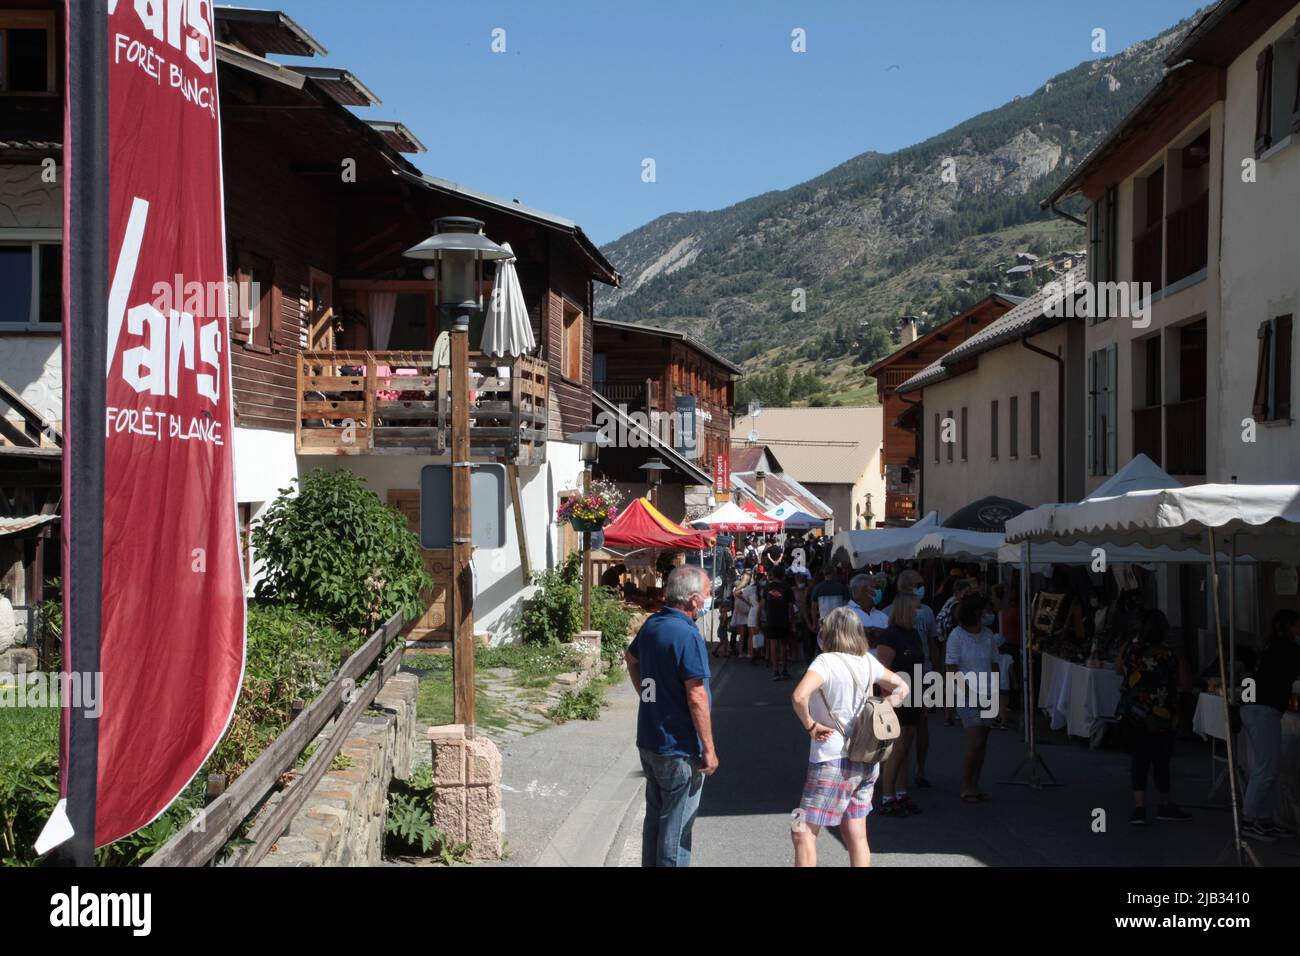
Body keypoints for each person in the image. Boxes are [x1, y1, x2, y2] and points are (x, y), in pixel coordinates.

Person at [789, 606, 910, 867]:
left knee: (802, 829)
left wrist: (810, 725)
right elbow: (902, 685)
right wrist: (885, 706)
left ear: (829, 632)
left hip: (831, 758)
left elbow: (799, 696)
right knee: (856, 833)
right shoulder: (867, 660)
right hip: (866, 757)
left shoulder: (825, 662)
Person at [625, 566, 718, 867]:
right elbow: (696, 695)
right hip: (678, 745)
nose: (707, 600)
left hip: (650, 738)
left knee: (655, 821)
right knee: (675, 833)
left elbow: (631, 659)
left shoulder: (653, 623)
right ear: (692, 599)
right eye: (705, 595)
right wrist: (709, 749)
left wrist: (648, 695)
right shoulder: (687, 634)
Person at [1115, 609, 1192, 826]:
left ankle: (1139, 807)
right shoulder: (1168, 653)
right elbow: (1185, 682)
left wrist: (1127, 645)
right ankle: (1164, 804)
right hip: (1161, 713)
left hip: (1134, 713)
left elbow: (1118, 669)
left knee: (1138, 759)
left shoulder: (1132, 650)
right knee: (1161, 760)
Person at [1240, 609, 1300, 841]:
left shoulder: (1271, 646)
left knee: (1269, 768)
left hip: (1257, 708)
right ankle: (1247, 820)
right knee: (1265, 769)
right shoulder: (1288, 649)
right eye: (1297, 626)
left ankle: (1265, 819)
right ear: (1289, 627)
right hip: (1263, 710)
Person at [946, 593, 1000, 804]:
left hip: (988, 693)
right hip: (966, 695)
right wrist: (970, 693)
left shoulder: (988, 635)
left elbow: (995, 662)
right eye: (987, 610)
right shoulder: (956, 636)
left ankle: (975, 785)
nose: (990, 614)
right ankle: (966, 785)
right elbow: (951, 669)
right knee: (976, 739)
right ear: (977, 613)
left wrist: (995, 690)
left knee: (983, 742)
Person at [876, 593, 926, 816]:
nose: (917, 613)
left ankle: (901, 792)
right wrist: (889, 702)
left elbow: (919, 666)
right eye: (914, 609)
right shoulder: (890, 636)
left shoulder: (913, 633)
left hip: (913, 693)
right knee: (896, 747)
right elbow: (883, 671)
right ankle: (887, 796)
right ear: (906, 609)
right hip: (896, 696)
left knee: (906, 745)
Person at [889, 569, 936, 789]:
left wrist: (937, 673)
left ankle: (922, 770)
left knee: (921, 724)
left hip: (924, 674)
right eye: (918, 584)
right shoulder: (892, 611)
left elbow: (933, 643)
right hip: (900, 680)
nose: (921, 587)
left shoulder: (927, 612)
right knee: (901, 731)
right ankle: (897, 781)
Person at [936, 577, 975, 725]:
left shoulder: (949, 602)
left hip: (947, 641)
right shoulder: (957, 605)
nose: (969, 594)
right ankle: (953, 712)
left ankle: (949, 713)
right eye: (967, 591)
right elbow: (962, 623)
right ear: (959, 592)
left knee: (950, 677)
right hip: (955, 642)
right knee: (955, 676)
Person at [761, 565, 797, 681]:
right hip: (783, 619)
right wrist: (791, 621)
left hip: (771, 619)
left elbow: (763, 604)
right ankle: (784, 670)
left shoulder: (767, 587)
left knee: (773, 645)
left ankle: (775, 671)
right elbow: (790, 607)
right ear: (783, 575)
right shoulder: (787, 588)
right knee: (783, 646)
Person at [847, 573, 889, 650]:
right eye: (875, 587)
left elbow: (891, 642)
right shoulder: (843, 615)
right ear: (864, 590)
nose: (879, 591)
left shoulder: (883, 616)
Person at [810, 563, 850, 635]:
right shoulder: (842, 587)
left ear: (824, 574)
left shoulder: (817, 588)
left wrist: (814, 623)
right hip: (839, 623)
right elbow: (846, 607)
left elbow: (813, 608)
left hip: (824, 622)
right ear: (834, 573)